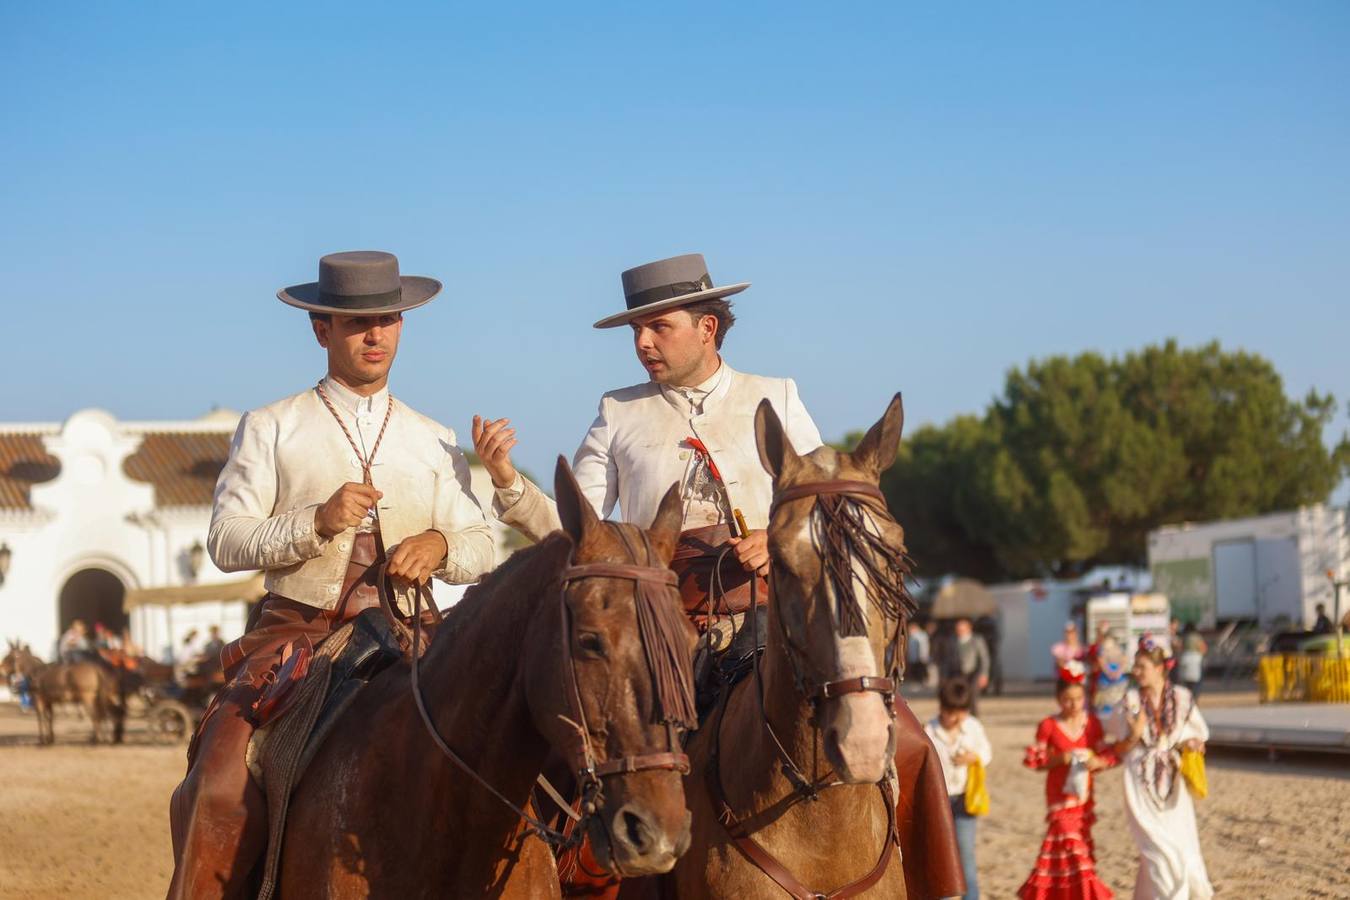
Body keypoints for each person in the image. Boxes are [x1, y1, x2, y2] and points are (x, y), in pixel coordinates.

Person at [473, 252, 966, 898]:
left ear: (707, 327)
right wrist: (510, 482)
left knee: (906, 738)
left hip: (772, 619)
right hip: (663, 636)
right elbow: (580, 533)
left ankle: (931, 880)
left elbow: (826, 503)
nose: (643, 342)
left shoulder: (776, 394)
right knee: (585, 762)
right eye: (636, 331)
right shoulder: (620, 412)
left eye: (659, 326)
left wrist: (778, 536)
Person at [167, 251, 496, 899]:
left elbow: (484, 543)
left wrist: (436, 543)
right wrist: (313, 523)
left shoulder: (434, 437)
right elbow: (225, 541)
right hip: (297, 637)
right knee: (220, 783)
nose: (375, 336)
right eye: (357, 323)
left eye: (387, 320)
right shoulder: (271, 427)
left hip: (415, 635)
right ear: (322, 330)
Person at [1110, 638, 1213, 900]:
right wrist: (1133, 735)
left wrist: (1191, 743)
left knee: (1179, 845)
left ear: (1159, 668)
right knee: (1157, 850)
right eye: (1135, 665)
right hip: (1139, 783)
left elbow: (1197, 735)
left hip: (1174, 785)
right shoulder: (1130, 700)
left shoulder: (1182, 697)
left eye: (1141, 665)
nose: (1136, 671)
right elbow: (1118, 748)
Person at [1018, 673, 1116, 900]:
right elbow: (1035, 761)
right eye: (1068, 699)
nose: (1073, 705)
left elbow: (1106, 756)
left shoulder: (1092, 724)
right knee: (1074, 852)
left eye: (1079, 699)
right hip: (1059, 800)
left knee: (1067, 859)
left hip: (1083, 801)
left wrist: (1097, 762)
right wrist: (1059, 759)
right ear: (1058, 699)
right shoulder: (1049, 725)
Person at [924, 678, 992, 900]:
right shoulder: (929, 730)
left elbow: (987, 752)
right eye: (951, 713)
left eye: (960, 713)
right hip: (939, 801)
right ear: (941, 708)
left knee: (965, 856)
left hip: (964, 799)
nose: (955, 719)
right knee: (942, 857)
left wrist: (974, 757)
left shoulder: (973, 727)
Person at [939, 618, 990, 713]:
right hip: (956, 673)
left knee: (972, 696)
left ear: (968, 628)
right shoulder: (952, 641)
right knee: (954, 696)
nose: (960, 631)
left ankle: (973, 716)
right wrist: (944, 676)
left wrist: (984, 674)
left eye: (962, 629)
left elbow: (984, 659)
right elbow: (946, 660)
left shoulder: (977, 640)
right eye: (958, 629)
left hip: (972, 673)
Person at [1178, 622, 1207, 700]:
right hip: (1196, 660)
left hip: (1185, 659)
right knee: (1196, 683)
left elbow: (1180, 648)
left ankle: (1187, 698)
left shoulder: (1184, 637)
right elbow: (1203, 648)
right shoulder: (1197, 637)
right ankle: (1194, 699)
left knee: (1186, 683)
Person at [906, 620, 931, 688]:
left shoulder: (922, 635)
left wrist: (923, 656)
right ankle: (917, 683)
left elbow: (924, 647)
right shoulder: (911, 636)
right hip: (913, 658)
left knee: (921, 671)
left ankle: (923, 683)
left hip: (921, 657)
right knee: (915, 671)